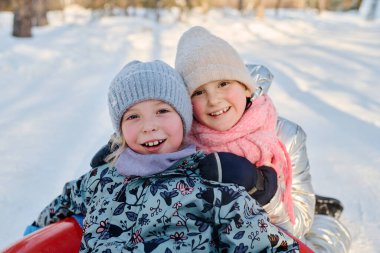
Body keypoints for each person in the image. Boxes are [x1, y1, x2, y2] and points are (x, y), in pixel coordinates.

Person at [24, 60, 303, 252]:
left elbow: (262, 241)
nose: (149, 126)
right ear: (119, 129)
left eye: (162, 111)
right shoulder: (101, 180)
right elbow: (66, 199)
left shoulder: (210, 185)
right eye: (133, 116)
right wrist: (33, 234)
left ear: (184, 119)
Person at [172, 26, 351, 253]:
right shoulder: (181, 142)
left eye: (223, 84)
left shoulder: (284, 136)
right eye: (198, 92)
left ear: (245, 87)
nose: (214, 100)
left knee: (324, 241)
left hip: (277, 225)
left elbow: (298, 226)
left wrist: (264, 191)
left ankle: (323, 214)